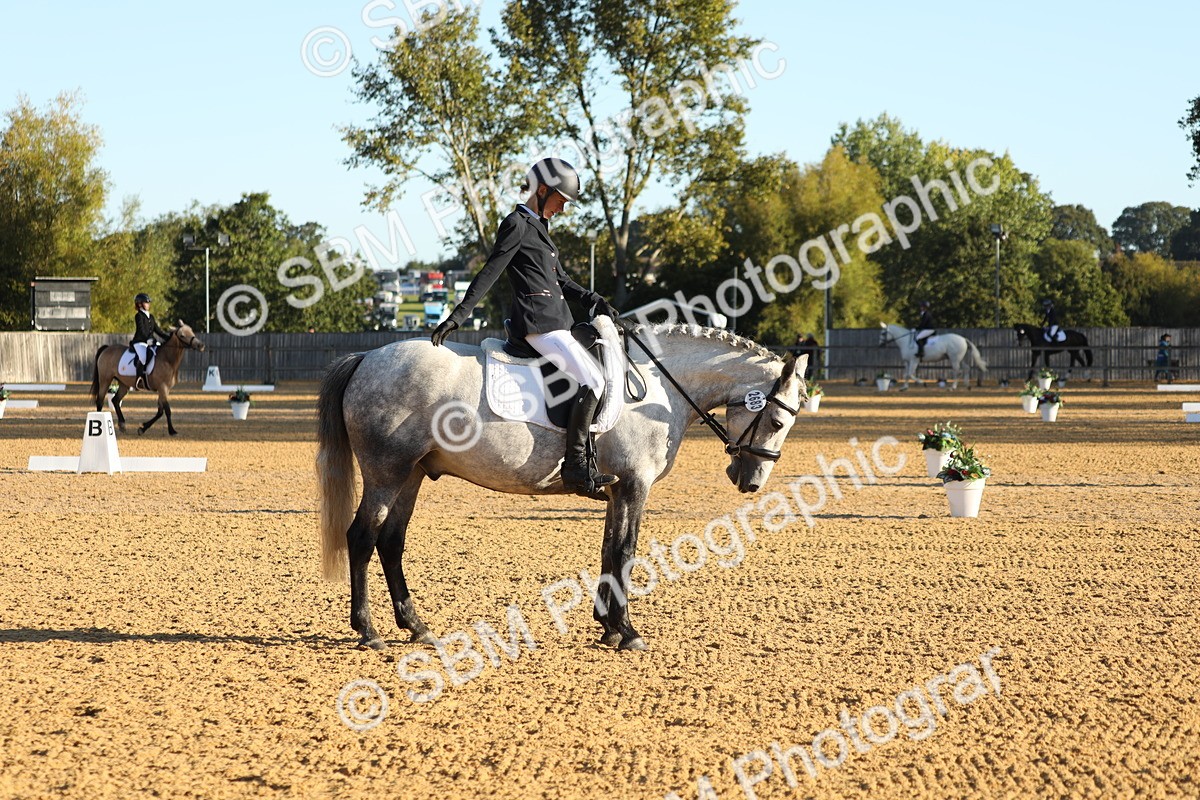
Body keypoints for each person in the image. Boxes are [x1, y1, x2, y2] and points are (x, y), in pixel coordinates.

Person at [430, 158, 618, 500]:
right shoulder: (516, 224)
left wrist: (592, 298)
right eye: (560, 200)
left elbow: (560, 279)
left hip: (556, 320)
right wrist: (459, 316)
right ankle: (575, 465)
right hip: (538, 323)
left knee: (594, 374)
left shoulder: (540, 228)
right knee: (593, 379)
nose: (562, 208)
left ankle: (584, 459)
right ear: (542, 190)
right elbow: (490, 272)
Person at [130, 293, 171, 389]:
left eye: (148, 303)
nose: (148, 304)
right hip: (140, 342)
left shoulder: (151, 316)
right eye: (146, 303)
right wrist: (148, 339)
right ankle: (139, 379)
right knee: (143, 357)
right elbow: (142, 330)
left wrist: (168, 338)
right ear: (140, 304)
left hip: (150, 341)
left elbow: (158, 330)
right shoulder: (138, 316)